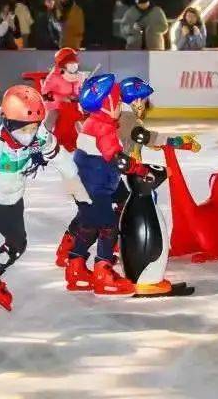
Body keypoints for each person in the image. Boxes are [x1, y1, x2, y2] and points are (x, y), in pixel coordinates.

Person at [0, 85, 86, 332]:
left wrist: (74, 181)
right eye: (26, 129)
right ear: (8, 124)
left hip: (12, 202)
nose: (31, 134)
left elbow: (60, 156)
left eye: (35, 127)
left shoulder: (39, 134)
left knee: (18, 245)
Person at [64, 74, 153, 295]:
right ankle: (103, 271)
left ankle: (75, 267)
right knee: (108, 226)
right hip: (95, 186)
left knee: (90, 224)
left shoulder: (95, 121)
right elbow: (117, 159)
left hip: (90, 184)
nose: (120, 106)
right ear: (108, 104)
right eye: (116, 101)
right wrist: (140, 169)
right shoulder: (103, 127)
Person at [40, 47, 86, 152]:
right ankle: (43, 142)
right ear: (63, 64)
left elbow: (76, 92)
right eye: (70, 63)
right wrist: (62, 98)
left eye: (75, 63)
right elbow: (46, 94)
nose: (74, 65)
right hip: (55, 106)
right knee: (51, 120)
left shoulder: (75, 77)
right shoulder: (54, 76)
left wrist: (77, 94)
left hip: (70, 107)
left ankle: (80, 142)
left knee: (77, 123)